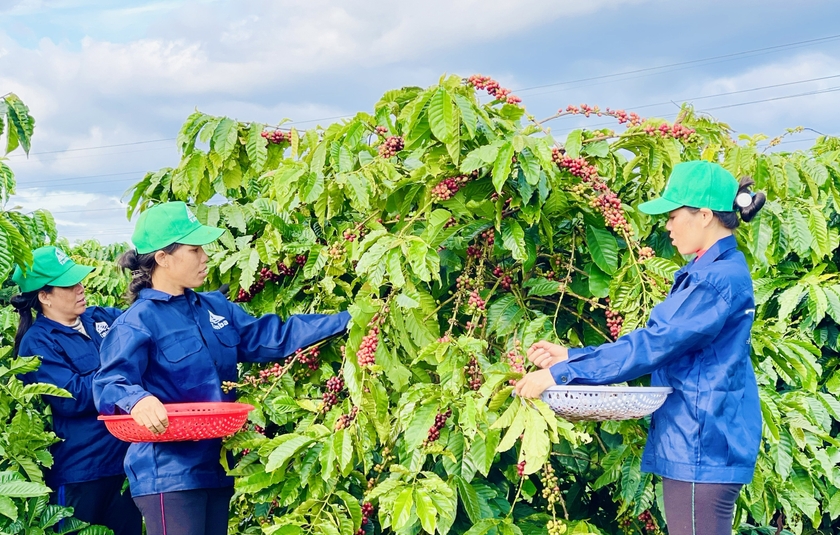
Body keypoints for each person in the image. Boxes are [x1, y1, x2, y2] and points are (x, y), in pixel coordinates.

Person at [515, 161, 766, 535]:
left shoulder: (714, 280)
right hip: (704, 440)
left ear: (704, 215)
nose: (667, 225)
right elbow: (666, 343)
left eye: (673, 215)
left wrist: (560, 373)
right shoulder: (715, 269)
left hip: (701, 444)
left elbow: (653, 345)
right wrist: (572, 356)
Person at [92, 201, 351, 535]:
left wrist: (347, 319)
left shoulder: (214, 308)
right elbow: (110, 381)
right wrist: (138, 400)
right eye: (194, 249)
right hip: (168, 472)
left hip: (216, 464)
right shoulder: (136, 323)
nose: (205, 257)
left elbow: (272, 336)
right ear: (163, 258)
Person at [11, 246, 142, 535]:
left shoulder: (100, 318)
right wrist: (120, 375)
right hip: (82, 472)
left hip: (124, 465)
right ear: (44, 296)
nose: (80, 289)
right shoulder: (37, 342)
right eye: (69, 285)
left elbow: (143, 324)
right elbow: (70, 398)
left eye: (79, 281)